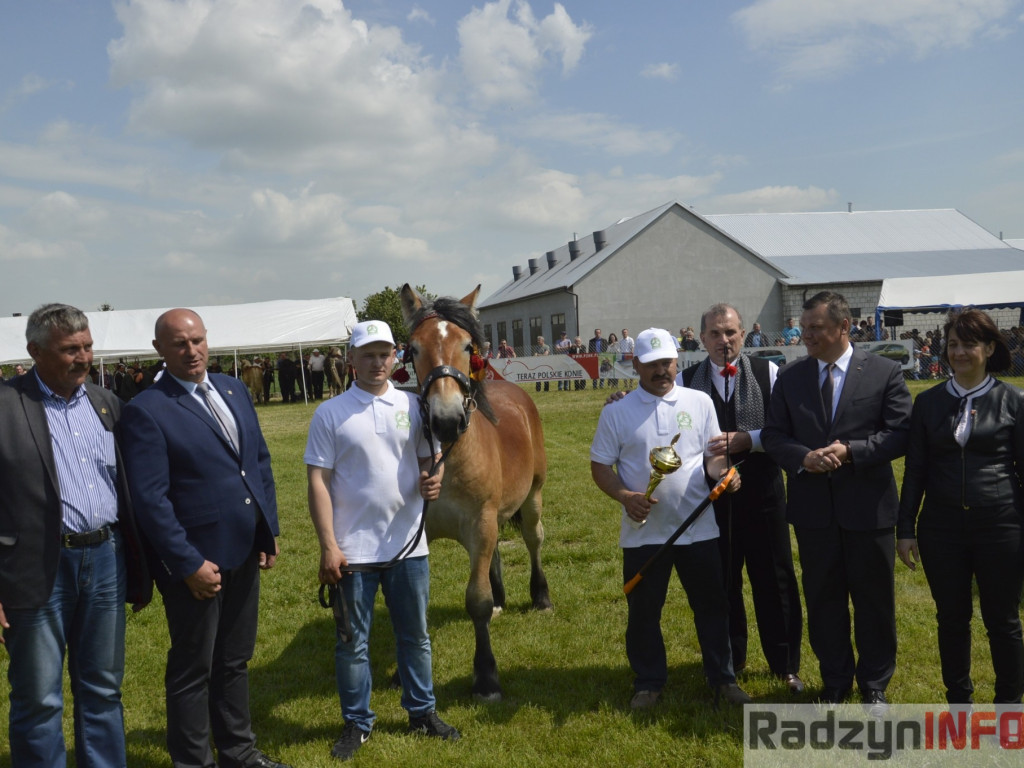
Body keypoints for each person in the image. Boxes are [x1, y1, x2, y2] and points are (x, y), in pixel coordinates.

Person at [122, 308, 288, 768]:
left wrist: (267, 531)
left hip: (242, 549)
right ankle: (194, 761)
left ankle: (239, 751)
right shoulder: (147, 410)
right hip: (196, 564)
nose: (191, 350)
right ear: (159, 350)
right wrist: (187, 563)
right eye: (179, 343)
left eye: (197, 340)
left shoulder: (233, 389)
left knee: (234, 660)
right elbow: (150, 501)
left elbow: (257, 462)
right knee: (193, 668)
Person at [0, 303, 151, 768]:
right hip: (35, 569)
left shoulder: (106, 403)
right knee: (39, 697)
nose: (83, 357)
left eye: (87, 346)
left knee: (103, 689)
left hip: (105, 560)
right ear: (35, 351)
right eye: (70, 350)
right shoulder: (7, 406)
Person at [305, 320, 459, 762]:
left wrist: (435, 478)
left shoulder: (414, 405)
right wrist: (329, 545)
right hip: (352, 550)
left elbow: (432, 458)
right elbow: (318, 481)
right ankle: (357, 722)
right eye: (368, 355)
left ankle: (422, 712)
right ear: (350, 360)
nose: (377, 362)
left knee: (416, 636)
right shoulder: (330, 414)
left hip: (408, 546)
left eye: (384, 354)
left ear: (397, 358)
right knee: (352, 643)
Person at [763, 291, 911, 706]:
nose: (805, 335)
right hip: (814, 514)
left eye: (816, 329)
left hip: (869, 509)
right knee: (824, 601)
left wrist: (853, 452)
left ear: (843, 328)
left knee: (874, 603)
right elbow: (774, 435)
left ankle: (875, 685)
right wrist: (803, 458)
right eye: (804, 328)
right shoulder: (791, 378)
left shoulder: (883, 372)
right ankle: (835, 681)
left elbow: (900, 432)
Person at [591, 327, 750, 709]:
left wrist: (723, 474)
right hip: (644, 534)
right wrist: (626, 496)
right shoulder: (617, 412)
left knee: (713, 607)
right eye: (652, 365)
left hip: (699, 529)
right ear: (635, 365)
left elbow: (711, 455)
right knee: (644, 613)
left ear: (678, 362)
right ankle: (648, 683)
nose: (661, 371)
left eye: (667, 363)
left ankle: (723, 679)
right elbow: (600, 466)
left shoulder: (699, 402)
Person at [897, 309, 1024, 704]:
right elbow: (915, 470)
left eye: (969, 344)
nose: (959, 352)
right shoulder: (929, 403)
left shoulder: (1012, 400)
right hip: (941, 530)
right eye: (953, 344)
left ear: (988, 348)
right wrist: (905, 529)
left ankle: (1008, 708)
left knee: (1003, 622)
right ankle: (960, 705)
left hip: (1001, 526)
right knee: (951, 620)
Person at [684, 304, 804, 694]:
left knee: (775, 578)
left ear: (743, 335)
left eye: (731, 332)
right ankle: (729, 663)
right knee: (722, 581)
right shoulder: (686, 382)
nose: (725, 341)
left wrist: (747, 441)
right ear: (702, 339)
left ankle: (785, 664)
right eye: (716, 334)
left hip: (764, 492)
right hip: (710, 497)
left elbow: (786, 429)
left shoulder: (769, 373)